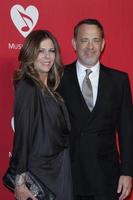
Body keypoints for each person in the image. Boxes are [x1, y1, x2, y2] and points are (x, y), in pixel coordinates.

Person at [58, 19, 133, 200]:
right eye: (84, 40)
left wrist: (128, 172)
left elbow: (126, 130)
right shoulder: (58, 77)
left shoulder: (119, 81)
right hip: (68, 175)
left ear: (103, 44)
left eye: (96, 40)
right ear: (74, 44)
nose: (90, 46)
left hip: (107, 177)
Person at [6, 30, 73, 200]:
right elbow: (22, 136)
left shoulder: (51, 88)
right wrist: (20, 183)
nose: (47, 56)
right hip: (41, 172)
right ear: (30, 53)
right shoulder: (28, 88)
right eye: (41, 51)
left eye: (51, 51)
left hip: (59, 169)